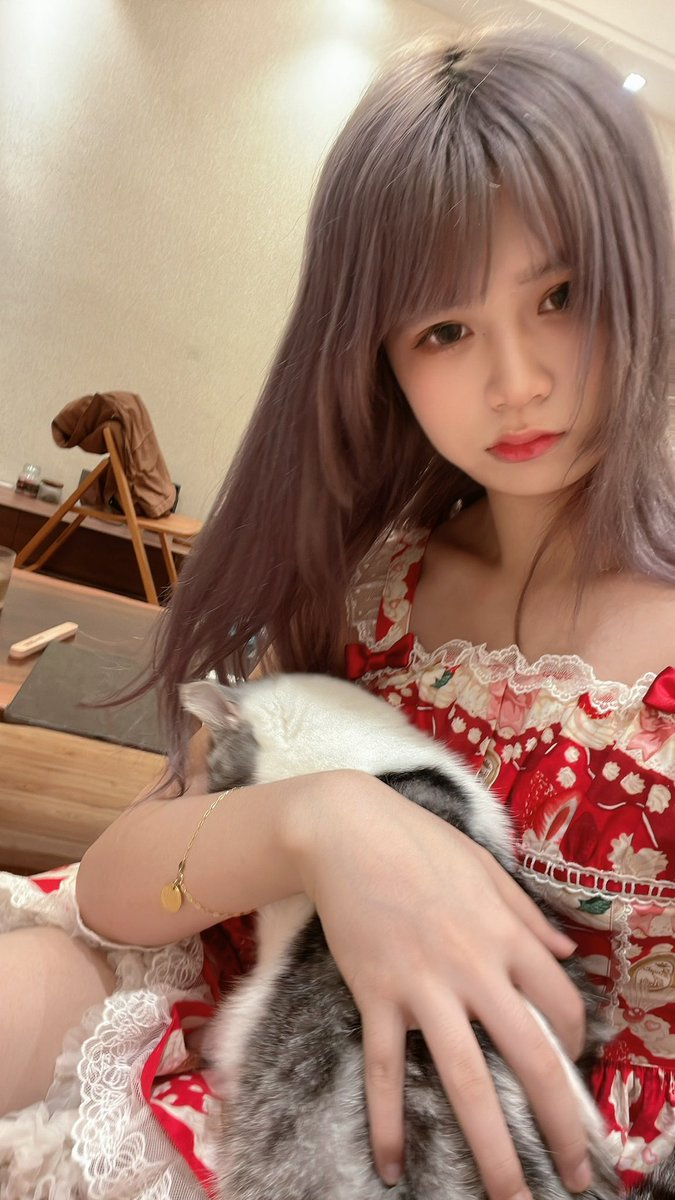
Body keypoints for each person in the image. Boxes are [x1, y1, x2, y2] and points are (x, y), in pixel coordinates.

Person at [1, 24, 673, 1200]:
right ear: (381, 356)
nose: (519, 380)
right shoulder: (374, 585)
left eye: (561, 296)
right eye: (446, 329)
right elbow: (121, 882)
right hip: (257, 1032)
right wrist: (327, 825)